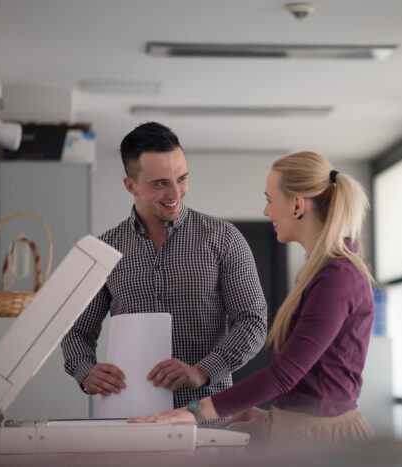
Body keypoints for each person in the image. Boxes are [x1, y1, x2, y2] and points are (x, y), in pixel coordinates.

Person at [131, 151, 375, 445]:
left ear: (297, 205)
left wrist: (194, 412)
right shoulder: (320, 271)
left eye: (270, 199)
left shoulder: (337, 277)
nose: (266, 211)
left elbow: (284, 374)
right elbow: (314, 379)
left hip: (324, 441)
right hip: (302, 432)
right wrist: (273, 418)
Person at [61, 122, 267, 410]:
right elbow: (76, 330)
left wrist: (203, 371)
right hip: (131, 418)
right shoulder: (105, 250)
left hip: (207, 419)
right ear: (130, 186)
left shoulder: (224, 239)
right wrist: (85, 370)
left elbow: (253, 322)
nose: (175, 193)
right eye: (160, 183)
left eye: (182, 178)